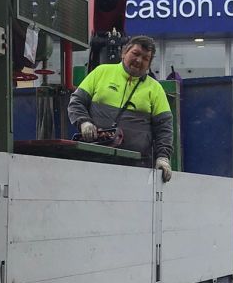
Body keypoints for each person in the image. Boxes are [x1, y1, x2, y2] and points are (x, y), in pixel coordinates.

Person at [67, 36, 173, 180]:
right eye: (135, 54)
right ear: (124, 52)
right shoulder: (101, 72)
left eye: (145, 58)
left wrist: (163, 157)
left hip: (136, 167)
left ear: (149, 64)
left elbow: (164, 128)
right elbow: (76, 102)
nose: (139, 60)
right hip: (94, 160)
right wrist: (84, 122)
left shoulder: (155, 89)